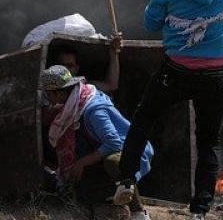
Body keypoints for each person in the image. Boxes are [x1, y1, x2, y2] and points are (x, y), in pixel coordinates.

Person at [115, 0, 223, 219]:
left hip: (176, 71)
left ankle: (127, 179)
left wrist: (172, 9)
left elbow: (151, 23)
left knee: (143, 120)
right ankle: (199, 211)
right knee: (209, 143)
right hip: (215, 75)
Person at [40, 65, 154, 220]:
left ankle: (138, 212)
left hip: (131, 152)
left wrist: (81, 163)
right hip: (105, 151)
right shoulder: (74, 108)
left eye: (48, 94)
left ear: (59, 94)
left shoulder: (93, 109)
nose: (48, 99)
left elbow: (114, 143)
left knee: (114, 162)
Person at [51, 33, 123, 93]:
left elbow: (111, 85)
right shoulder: (48, 89)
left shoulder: (84, 87)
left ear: (76, 69)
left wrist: (113, 53)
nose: (65, 70)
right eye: (62, 65)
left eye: (70, 66)